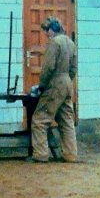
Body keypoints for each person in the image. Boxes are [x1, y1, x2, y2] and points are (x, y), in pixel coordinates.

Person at [29, 16, 78, 163]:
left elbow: (48, 68)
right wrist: (67, 80)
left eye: (46, 31)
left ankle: (41, 155)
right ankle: (70, 154)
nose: (45, 34)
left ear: (52, 29)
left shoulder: (54, 43)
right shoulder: (70, 42)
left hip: (55, 82)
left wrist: (42, 86)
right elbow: (74, 68)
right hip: (68, 83)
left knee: (39, 120)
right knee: (66, 119)